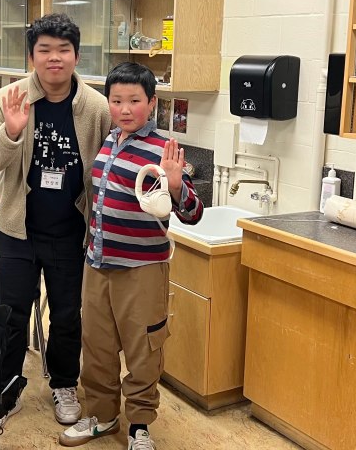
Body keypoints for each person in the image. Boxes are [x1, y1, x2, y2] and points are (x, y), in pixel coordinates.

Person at [0, 13, 112, 428]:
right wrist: (10, 134)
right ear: (31, 56)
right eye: (44, 50)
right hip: (17, 231)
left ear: (77, 56)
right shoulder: (7, 100)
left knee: (67, 315)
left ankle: (64, 384)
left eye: (63, 50)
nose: (54, 58)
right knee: (10, 314)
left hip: (71, 233)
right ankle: (7, 385)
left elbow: (113, 162)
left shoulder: (96, 107)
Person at [59, 62, 203, 450]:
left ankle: (139, 426)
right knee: (97, 347)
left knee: (144, 351)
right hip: (97, 263)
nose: (125, 109)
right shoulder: (108, 141)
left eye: (134, 100)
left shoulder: (163, 151)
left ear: (152, 103)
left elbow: (193, 213)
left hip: (142, 270)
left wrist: (176, 186)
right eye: (117, 100)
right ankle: (103, 416)